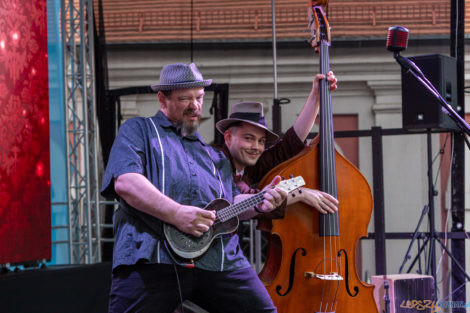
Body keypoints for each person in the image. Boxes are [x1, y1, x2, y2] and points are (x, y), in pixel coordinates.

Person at [101, 62, 288, 313]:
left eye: (199, 97)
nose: (195, 106)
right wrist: (177, 214)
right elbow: (126, 182)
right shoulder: (139, 131)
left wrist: (259, 204)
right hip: (153, 257)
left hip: (218, 260)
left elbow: (228, 204)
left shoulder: (215, 157)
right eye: (184, 98)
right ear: (162, 99)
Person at [215, 72, 339, 220]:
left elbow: (288, 146)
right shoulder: (216, 162)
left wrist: (316, 97)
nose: (256, 147)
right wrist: (301, 194)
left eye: (261, 141)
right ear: (228, 137)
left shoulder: (246, 164)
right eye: (248, 138)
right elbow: (238, 197)